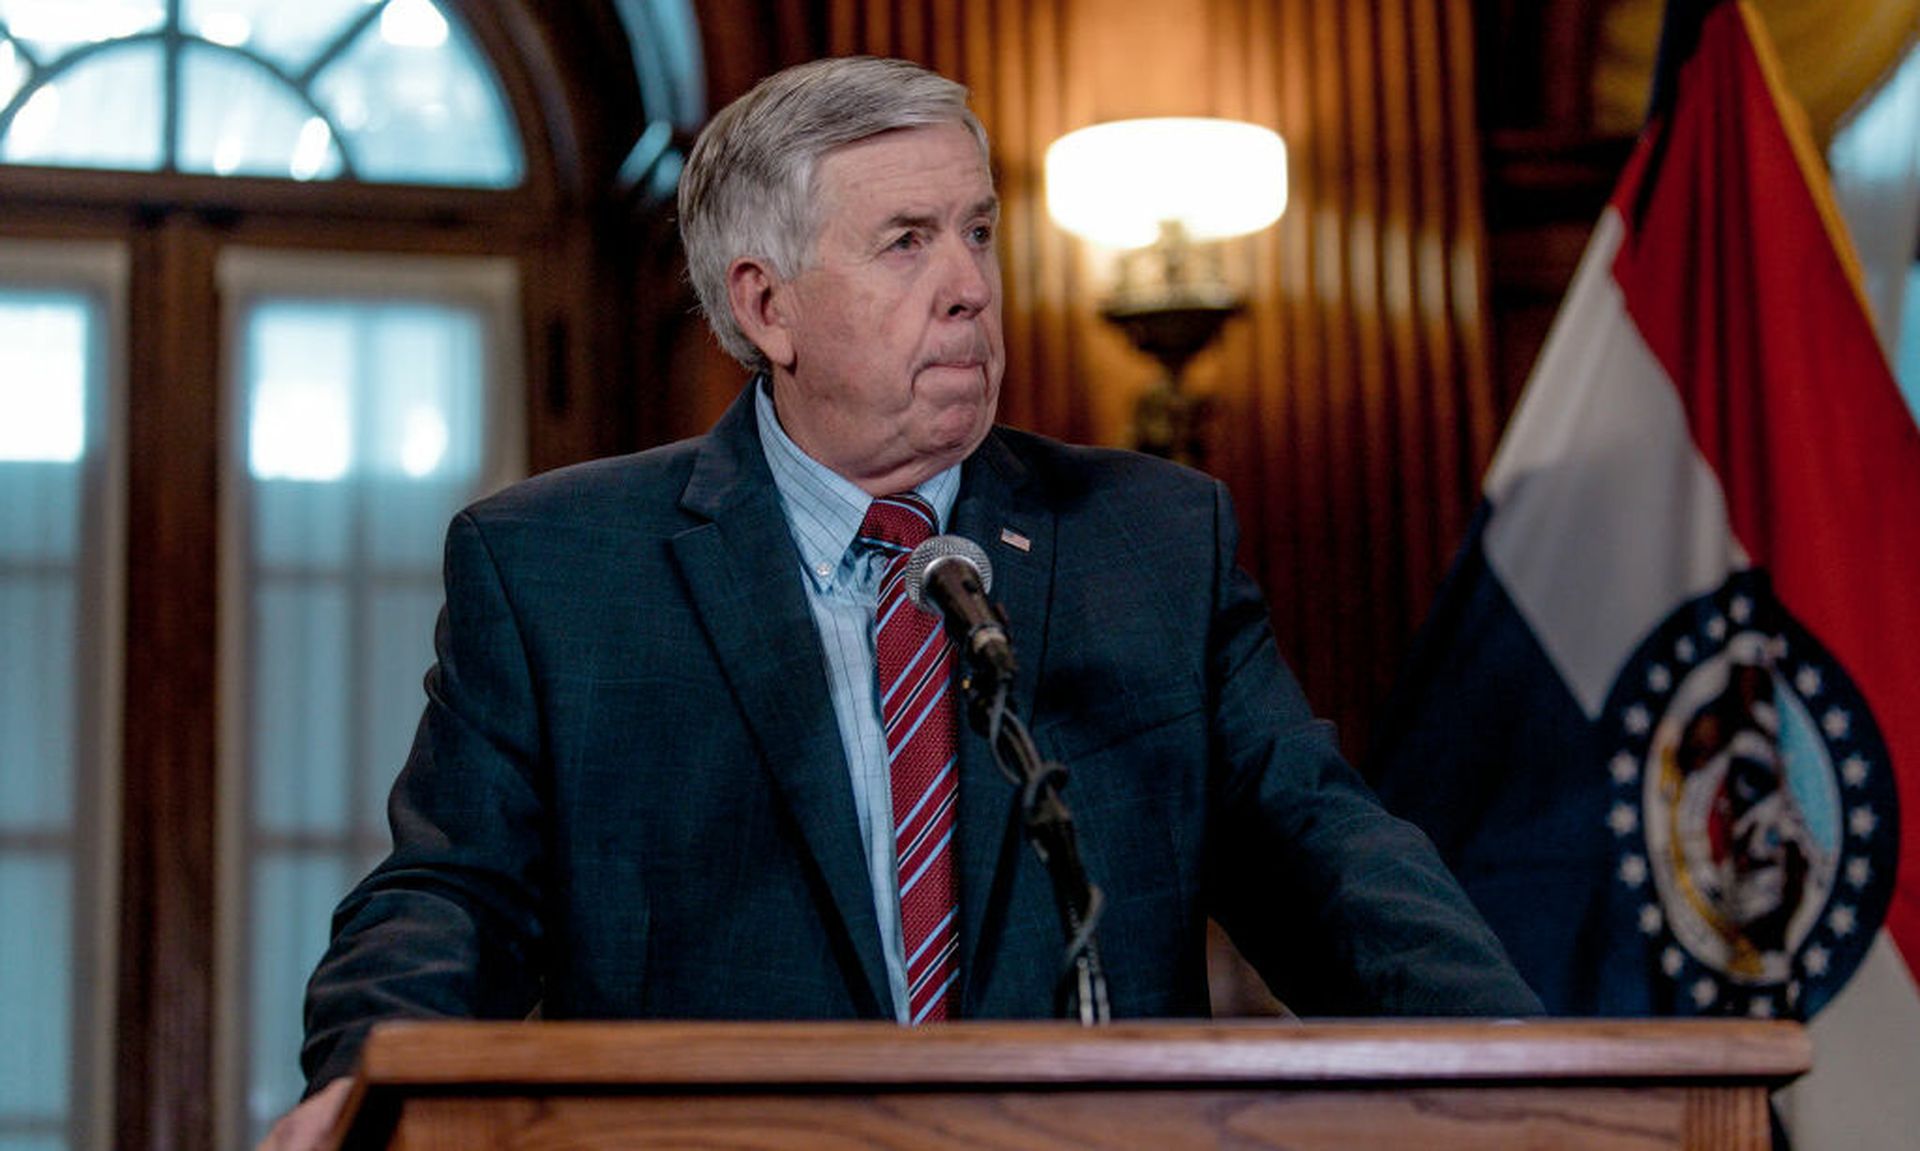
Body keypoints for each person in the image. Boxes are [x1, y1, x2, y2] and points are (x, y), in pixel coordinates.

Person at [260, 54, 1540, 1150]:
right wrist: (366, 1083)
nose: (971, 284)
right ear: (767, 306)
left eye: (978, 230)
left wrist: (1542, 1077)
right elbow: (452, 896)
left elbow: (1329, 865)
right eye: (907, 242)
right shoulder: (558, 569)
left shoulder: (1150, 544)